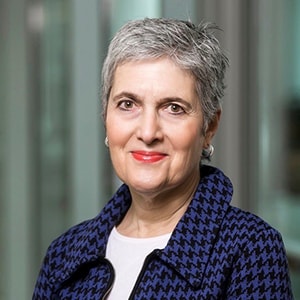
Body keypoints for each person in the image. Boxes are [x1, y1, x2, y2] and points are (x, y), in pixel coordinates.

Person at [33, 18, 293, 299]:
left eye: (173, 108)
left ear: (209, 128)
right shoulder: (64, 255)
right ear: (105, 117)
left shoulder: (250, 250)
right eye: (127, 104)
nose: (147, 132)